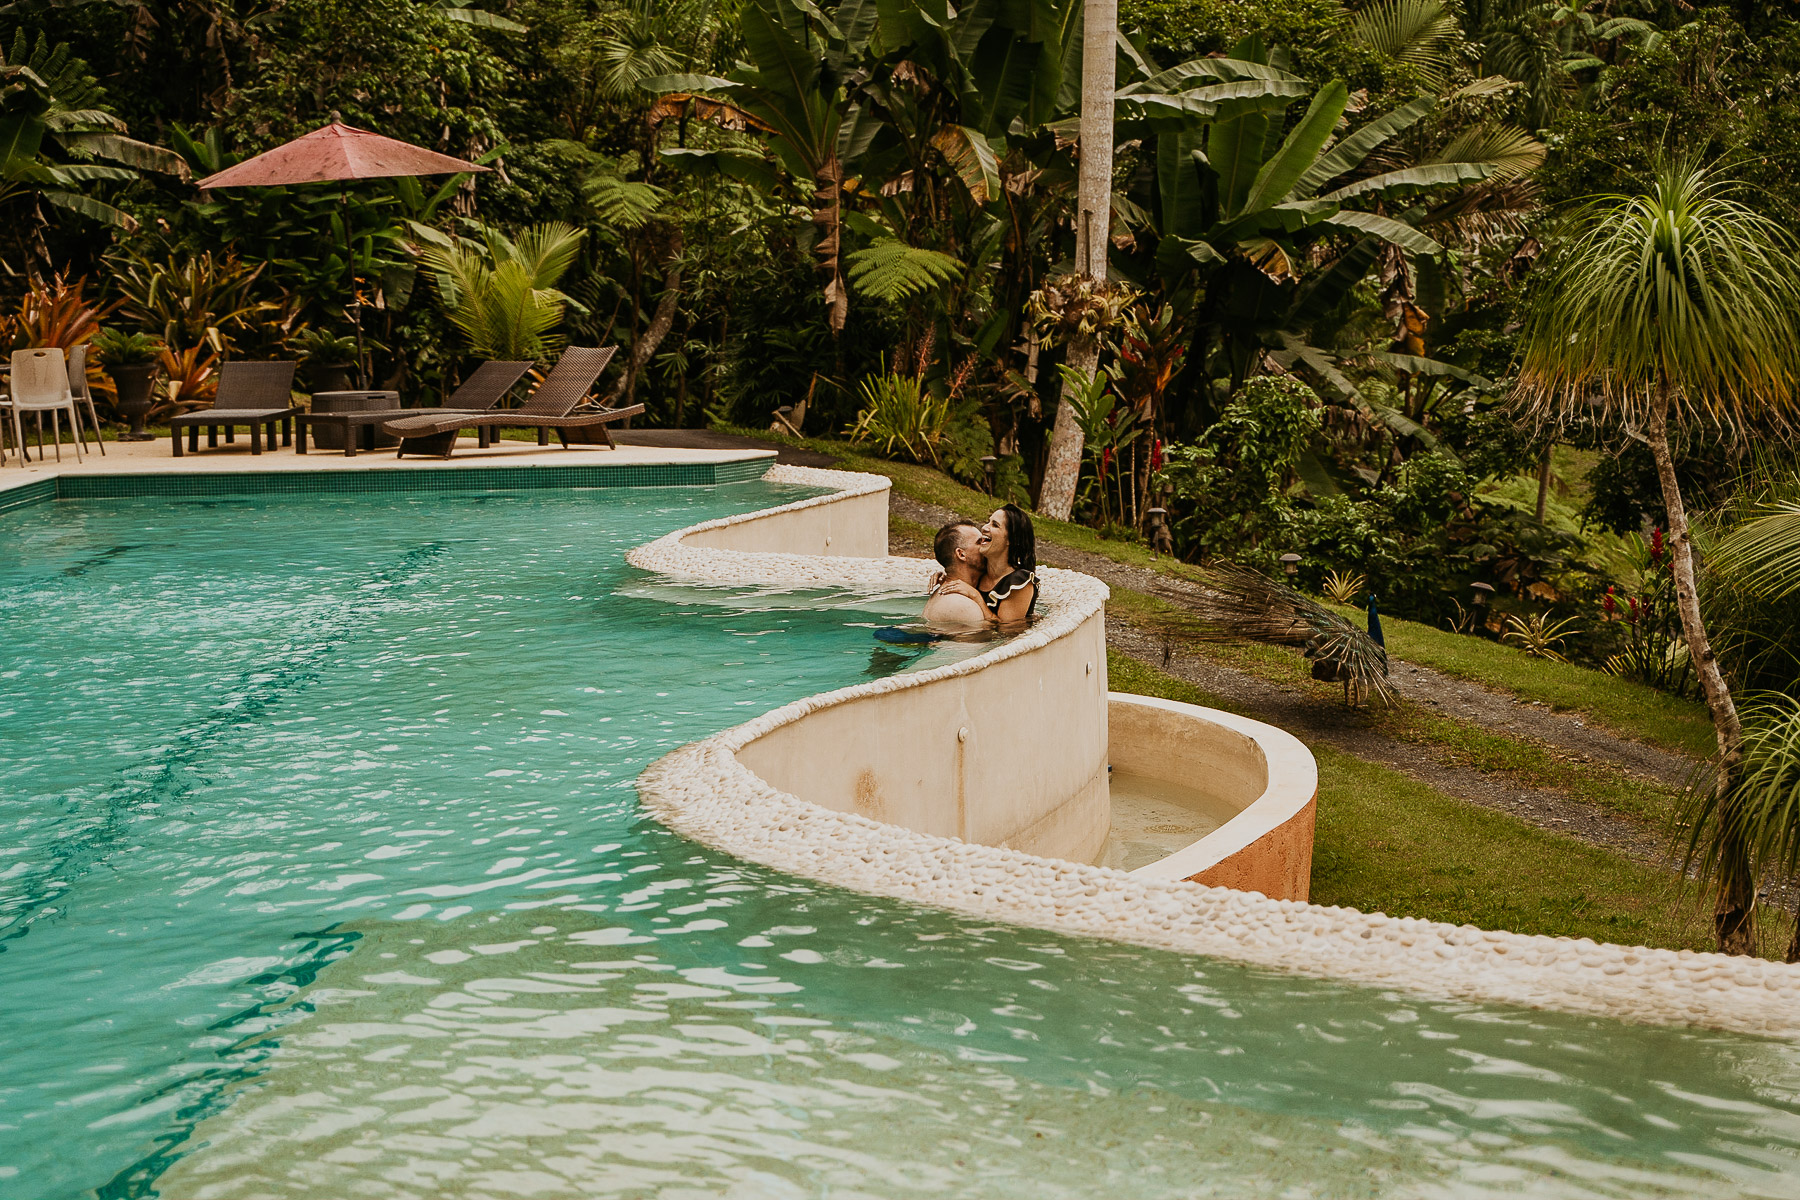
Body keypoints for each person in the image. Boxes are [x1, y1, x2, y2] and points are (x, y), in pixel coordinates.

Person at [936, 504, 1038, 629]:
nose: (984, 527)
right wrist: (945, 577)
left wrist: (975, 596)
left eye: (995, 525)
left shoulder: (1019, 582)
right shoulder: (981, 573)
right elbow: (961, 569)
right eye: (988, 522)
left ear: (1011, 540)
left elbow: (1007, 632)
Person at [921, 519, 990, 630]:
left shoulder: (944, 593)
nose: (986, 546)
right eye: (979, 542)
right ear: (961, 554)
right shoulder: (964, 606)